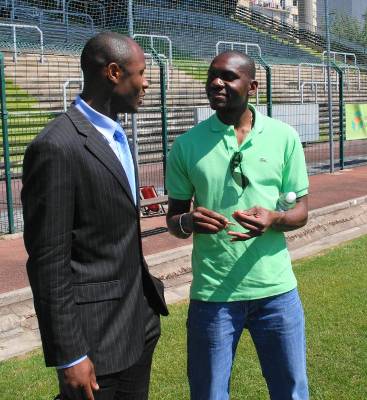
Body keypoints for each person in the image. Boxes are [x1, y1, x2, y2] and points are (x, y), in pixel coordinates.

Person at [21, 32, 168, 400]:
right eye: (142, 72)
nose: (147, 82)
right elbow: (48, 261)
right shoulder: (56, 146)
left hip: (138, 324)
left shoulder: (116, 136)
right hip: (97, 340)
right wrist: (69, 354)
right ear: (114, 73)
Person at [165, 50, 310, 400]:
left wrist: (276, 218)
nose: (216, 82)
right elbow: (174, 218)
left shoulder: (284, 137)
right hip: (213, 296)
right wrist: (188, 221)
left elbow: (302, 211)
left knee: (291, 392)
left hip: (276, 293)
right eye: (212, 75)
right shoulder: (187, 145)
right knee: (208, 394)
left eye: (228, 76)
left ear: (252, 86)